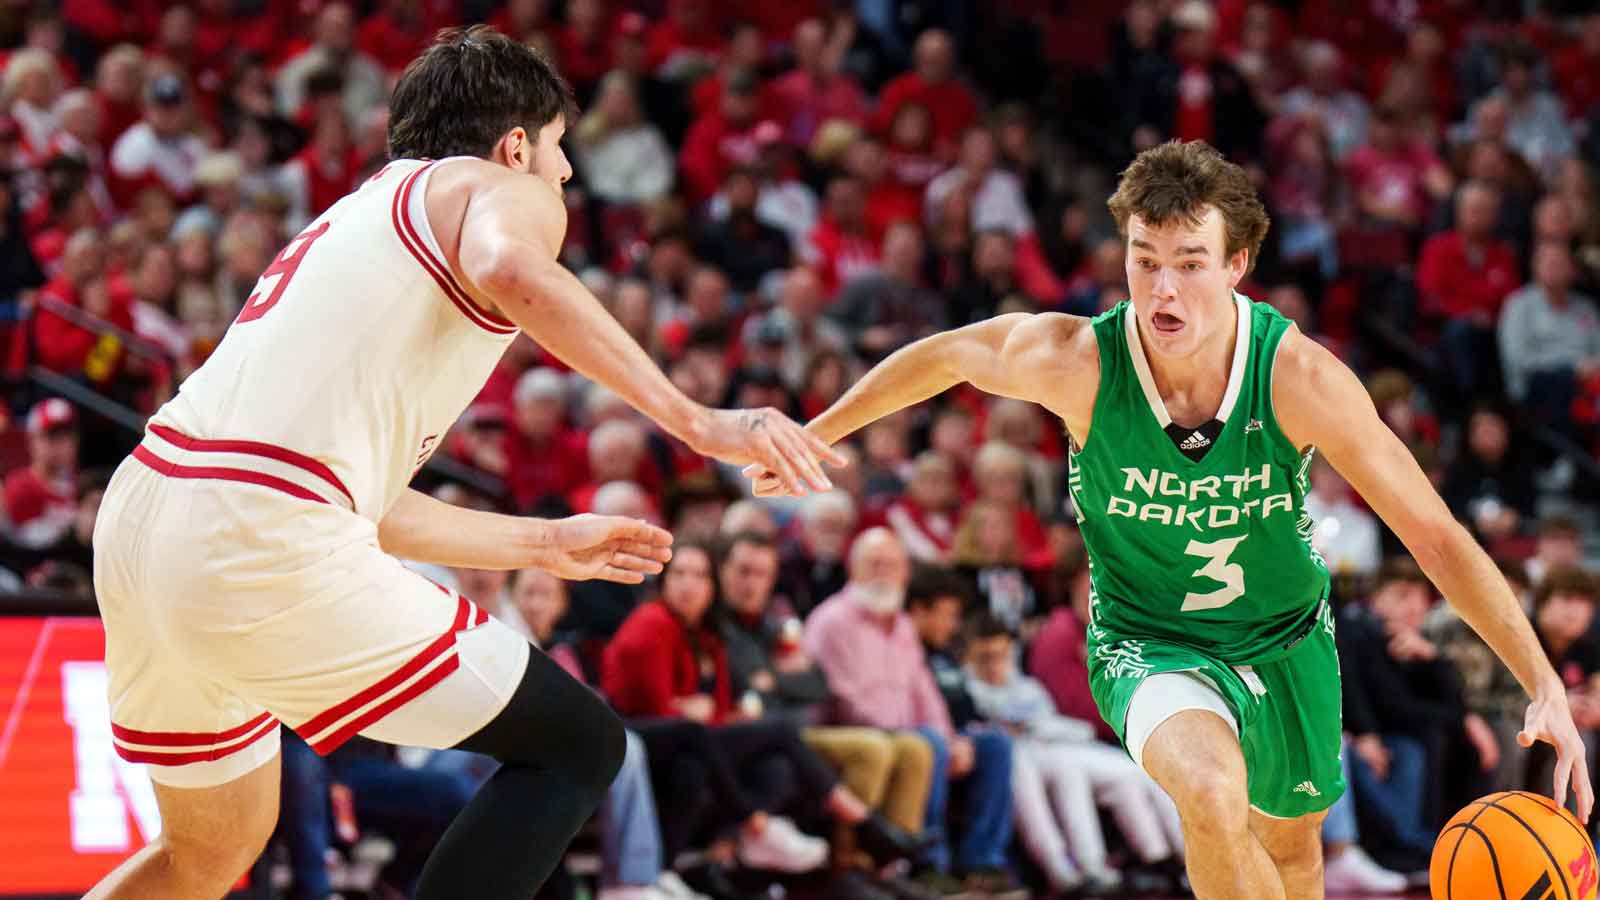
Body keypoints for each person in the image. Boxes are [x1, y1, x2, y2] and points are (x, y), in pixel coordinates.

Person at [86, 28, 843, 900]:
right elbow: (508, 264)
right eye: (559, 148)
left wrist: (544, 542)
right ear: (516, 144)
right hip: (254, 530)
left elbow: (351, 498)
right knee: (578, 745)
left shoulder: (358, 219)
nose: (566, 173)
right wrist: (697, 421)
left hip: (147, 516)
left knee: (206, 854)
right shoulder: (498, 188)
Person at [751, 140, 1592, 900]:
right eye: (1143, 259)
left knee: (1293, 854)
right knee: (1211, 791)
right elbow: (946, 356)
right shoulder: (1080, 362)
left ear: (1236, 264)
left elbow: (1434, 535)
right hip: (1147, 638)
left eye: (1190, 263)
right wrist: (817, 434)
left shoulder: (1299, 378)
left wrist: (1542, 681)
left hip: (1286, 636)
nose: (1162, 288)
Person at [805, 529, 1023, 898]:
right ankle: (928, 865)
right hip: (854, 734)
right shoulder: (832, 621)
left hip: (914, 732)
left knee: (993, 745)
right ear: (852, 569)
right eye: (873, 564)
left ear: (905, 573)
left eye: (891, 566)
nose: (883, 574)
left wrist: (952, 740)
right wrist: (929, 737)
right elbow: (846, 700)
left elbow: (926, 693)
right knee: (926, 744)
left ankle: (982, 863)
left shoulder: (903, 625)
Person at [964, 611, 1187, 895]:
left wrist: (1049, 729)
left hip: (1058, 748)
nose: (996, 665)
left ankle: (1173, 861)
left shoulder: (1026, 687)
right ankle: (1066, 870)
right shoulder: (968, 689)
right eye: (986, 658)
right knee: (1041, 769)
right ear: (969, 656)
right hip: (1024, 758)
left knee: (1136, 772)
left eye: (1002, 655)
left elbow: (1057, 726)